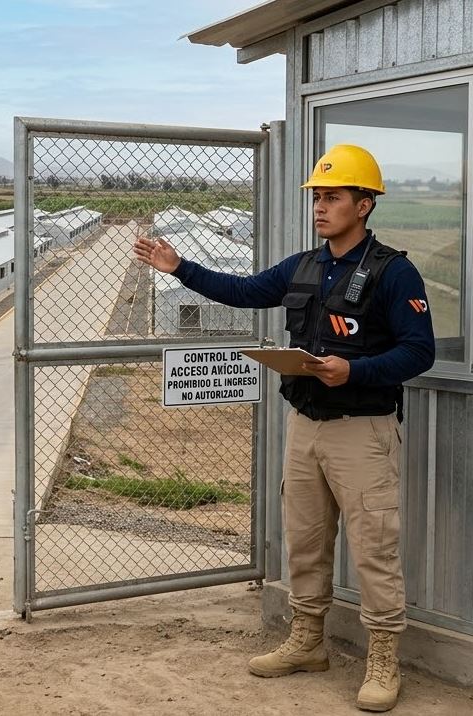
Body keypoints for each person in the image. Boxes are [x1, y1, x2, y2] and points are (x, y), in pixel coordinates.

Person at [133, 144, 434, 712]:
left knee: (374, 546)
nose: (320, 207)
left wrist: (355, 370)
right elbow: (243, 291)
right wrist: (179, 269)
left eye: (333, 197)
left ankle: (384, 657)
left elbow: (419, 352)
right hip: (306, 424)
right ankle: (307, 641)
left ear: (364, 204)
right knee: (305, 539)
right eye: (317, 197)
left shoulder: (395, 272)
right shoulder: (304, 266)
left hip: (362, 429)